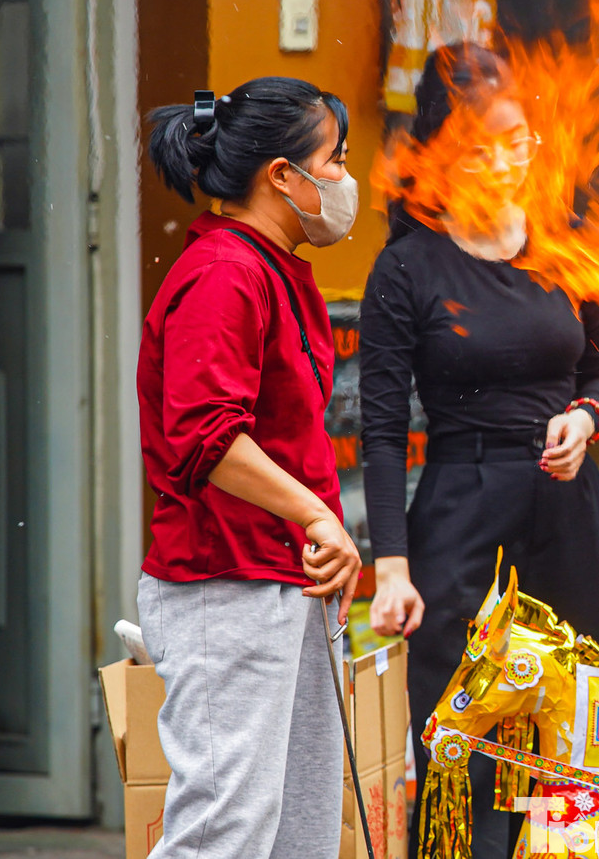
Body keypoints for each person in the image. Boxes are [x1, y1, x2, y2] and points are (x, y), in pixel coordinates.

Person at [358, 43, 599, 859]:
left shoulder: (570, 243)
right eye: (481, 149)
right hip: (462, 508)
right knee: (459, 740)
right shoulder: (407, 268)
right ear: (438, 156)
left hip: (569, 508)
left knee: (569, 734)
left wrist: (586, 416)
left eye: (519, 142)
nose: (506, 163)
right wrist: (391, 566)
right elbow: (381, 427)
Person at [137, 78, 361, 857]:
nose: (342, 180)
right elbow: (206, 434)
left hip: (282, 583)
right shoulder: (224, 273)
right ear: (282, 176)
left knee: (297, 835)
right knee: (223, 834)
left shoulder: (270, 265)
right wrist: (317, 514)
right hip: (224, 588)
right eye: (332, 160)